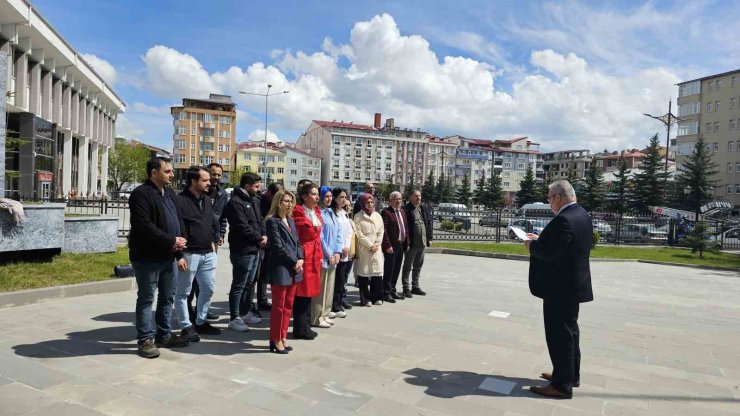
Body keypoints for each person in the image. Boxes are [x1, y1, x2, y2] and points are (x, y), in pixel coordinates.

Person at [524, 180, 594, 399]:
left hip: (560, 288)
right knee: (570, 332)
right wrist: (541, 239)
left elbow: (550, 253)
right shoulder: (581, 214)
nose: (548, 202)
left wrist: (532, 245)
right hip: (573, 285)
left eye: (548, 198)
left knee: (559, 335)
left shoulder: (563, 219)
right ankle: (570, 374)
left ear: (557, 197)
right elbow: (564, 246)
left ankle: (562, 385)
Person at [129, 157, 189, 358]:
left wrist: (178, 251)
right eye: (168, 171)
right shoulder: (140, 194)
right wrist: (172, 240)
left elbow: (177, 220)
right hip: (148, 257)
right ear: (154, 173)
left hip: (168, 257)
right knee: (147, 298)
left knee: (168, 297)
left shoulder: (169, 193)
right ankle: (145, 340)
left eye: (171, 171)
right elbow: (144, 226)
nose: (172, 174)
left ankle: (164, 335)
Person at [173, 166, 221, 342]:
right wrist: (178, 256)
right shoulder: (180, 201)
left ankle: (201, 321)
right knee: (183, 292)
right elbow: (177, 227)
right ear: (194, 181)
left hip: (208, 253)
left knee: (208, 289)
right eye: (205, 180)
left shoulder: (207, 200)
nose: (210, 183)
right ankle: (186, 326)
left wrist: (214, 240)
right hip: (189, 253)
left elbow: (210, 223)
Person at [223, 172, 266, 332]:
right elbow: (241, 226)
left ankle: (245, 312)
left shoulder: (253, 200)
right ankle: (234, 318)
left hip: (255, 248)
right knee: (239, 284)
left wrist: (264, 234)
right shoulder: (235, 202)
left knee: (250, 282)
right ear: (247, 186)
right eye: (256, 186)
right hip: (242, 250)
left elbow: (260, 219)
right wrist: (258, 237)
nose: (258, 189)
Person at [264, 190, 304, 354]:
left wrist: (300, 258)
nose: (289, 204)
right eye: (286, 201)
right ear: (278, 202)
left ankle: (282, 336)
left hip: (294, 268)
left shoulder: (291, 221)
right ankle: (275, 339)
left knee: (288, 306)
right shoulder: (272, 222)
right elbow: (278, 247)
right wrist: (294, 261)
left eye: (291, 201)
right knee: (279, 307)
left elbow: (298, 243)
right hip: (281, 268)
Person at [187, 163, 227, 323]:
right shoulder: (198, 193)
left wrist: (221, 233)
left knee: (206, 279)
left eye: (219, 175)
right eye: (213, 174)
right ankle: (189, 310)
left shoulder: (222, 194)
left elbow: (222, 216)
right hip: (196, 241)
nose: (216, 178)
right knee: (191, 280)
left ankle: (202, 309)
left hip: (212, 239)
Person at [292, 183, 323, 340]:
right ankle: (300, 328)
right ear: (304, 196)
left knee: (309, 293)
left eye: (317, 194)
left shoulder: (315, 212)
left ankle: (305, 326)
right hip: (304, 256)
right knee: (301, 294)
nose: (317, 197)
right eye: (313, 194)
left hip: (315, 256)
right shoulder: (298, 213)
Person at [311, 186, 343, 329]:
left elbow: (338, 234)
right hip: (324, 257)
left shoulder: (331, 213)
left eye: (330, 196)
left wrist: (337, 252)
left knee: (329, 288)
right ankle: (316, 317)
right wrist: (329, 253)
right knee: (321, 289)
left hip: (333, 257)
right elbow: (320, 236)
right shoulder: (319, 213)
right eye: (326, 196)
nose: (329, 199)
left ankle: (325, 313)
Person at [254, 182, 283, 313]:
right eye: (276, 196)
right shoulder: (259, 202)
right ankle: (261, 301)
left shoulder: (273, 202)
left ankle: (263, 300)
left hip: (272, 242)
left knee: (266, 273)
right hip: (261, 242)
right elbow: (259, 221)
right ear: (269, 193)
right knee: (260, 274)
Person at [353, 194, 385, 306]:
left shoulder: (377, 216)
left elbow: (381, 231)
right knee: (364, 274)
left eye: (371, 202)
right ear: (362, 203)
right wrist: (370, 245)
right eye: (367, 202)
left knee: (377, 273)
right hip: (365, 248)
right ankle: (365, 299)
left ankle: (377, 297)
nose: (370, 204)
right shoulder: (357, 216)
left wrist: (376, 245)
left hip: (376, 249)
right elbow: (359, 234)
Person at [401, 189, 432, 297]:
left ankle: (415, 286)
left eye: (419, 196)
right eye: (416, 196)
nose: (418, 198)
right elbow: (405, 227)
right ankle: (406, 288)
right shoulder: (406, 209)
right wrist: (407, 241)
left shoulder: (423, 208)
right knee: (408, 266)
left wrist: (430, 238)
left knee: (418, 265)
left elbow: (429, 222)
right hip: (412, 243)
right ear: (410, 197)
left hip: (422, 242)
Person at [381, 191, 409, 303]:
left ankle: (392, 290)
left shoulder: (402, 211)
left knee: (397, 268)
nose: (398, 201)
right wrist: (387, 245)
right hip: (391, 245)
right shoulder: (386, 212)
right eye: (396, 199)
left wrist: (406, 243)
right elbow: (384, 230)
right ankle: (386, 292)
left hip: (400, 244)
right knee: (389, 269)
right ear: (390, 201)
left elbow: (405, 228)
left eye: (400, 199)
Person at [331, 188, 353, 317]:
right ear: (335, 198)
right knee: (336, 280)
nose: (344, 199)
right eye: (341, 197)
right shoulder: (332, 213)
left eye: (345, 197)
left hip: (345, 251)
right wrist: (340, 248)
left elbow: (349, 232)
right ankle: (334, 305)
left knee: (342, 279)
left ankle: (338, 303)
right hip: (336, 252)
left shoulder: (345, 213)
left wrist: (347, 246)